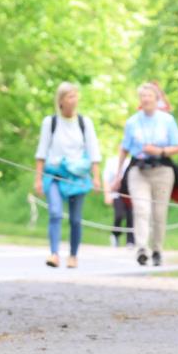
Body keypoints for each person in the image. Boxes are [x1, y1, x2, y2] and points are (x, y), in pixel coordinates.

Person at [111, 82, 178, 266]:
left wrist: (160, 151)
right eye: (142, 96)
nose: (145, 99)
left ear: (156, 99)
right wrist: (118, 175)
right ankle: (142, 248)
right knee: (141, 208)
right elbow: (124, 148)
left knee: (159, 212)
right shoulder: (132, 122)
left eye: (149, 96)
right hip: (139, 170)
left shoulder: (167, 120)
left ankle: (157, 250)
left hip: (162, 170)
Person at [33, 83, 102, 268]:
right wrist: (38, 179)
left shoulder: (84, 123)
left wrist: (96, 178)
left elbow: (93, 151)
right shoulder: (50, 123)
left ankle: (73, 255)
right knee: (55, 213)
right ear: (61, 101)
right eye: (69, 97)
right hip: (54, 175)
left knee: (75, 219)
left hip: (77, 177)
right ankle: (54, 253)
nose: (73, 100)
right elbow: (41, 152)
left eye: (75, 96)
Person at [102, 155, 134, 248]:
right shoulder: (112, 161)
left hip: (130, 194)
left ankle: (130, 240)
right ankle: (115, 235)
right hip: (117, 194)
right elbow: (106, 179)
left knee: (131, 216)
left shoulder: (131, 161)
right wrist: (107, 195)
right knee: (119, 215)